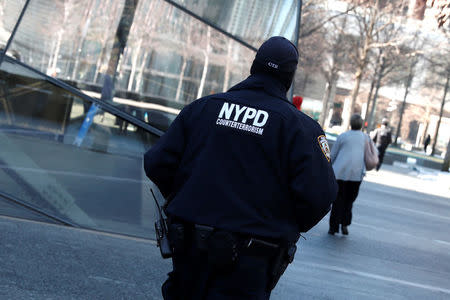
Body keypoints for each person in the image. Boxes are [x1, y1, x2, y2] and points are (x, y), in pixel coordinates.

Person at [144, 36, 337, 299]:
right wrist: (280, 223)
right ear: (289, 77)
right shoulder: (300, 129)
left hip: (189, 250)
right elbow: (319, 196)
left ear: (253, 67)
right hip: (253, 260)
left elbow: (157, 163)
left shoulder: (203, 108)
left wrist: (186, 200)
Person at [328, 114, 366, 236]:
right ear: (361, 125)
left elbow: (333, 154)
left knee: (337, 200)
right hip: (356, 174)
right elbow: (369, 155)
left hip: (339, 173)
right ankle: (345, 224)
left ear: (350, 123)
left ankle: (333, 227)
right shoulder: (365, 138)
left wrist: (328, 166)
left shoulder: (343, 136)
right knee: (349, 200)